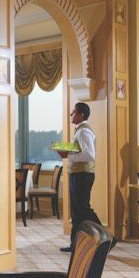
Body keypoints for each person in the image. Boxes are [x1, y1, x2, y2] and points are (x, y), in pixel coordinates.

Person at [56, 102, 101, 252]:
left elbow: (89, 155)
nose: (71, 114)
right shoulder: (80, 131)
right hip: (78, 174)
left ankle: (106, 238)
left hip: (82, 175)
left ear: (81, 115)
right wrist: (68, 151)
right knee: (76, 212)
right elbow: (80, 151)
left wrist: (68, 154)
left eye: (73, 112)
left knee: (83, 209)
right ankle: (75, 244)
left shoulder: (84, 132)